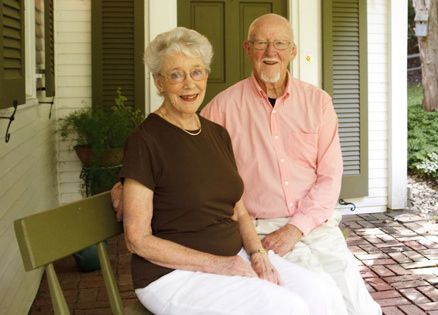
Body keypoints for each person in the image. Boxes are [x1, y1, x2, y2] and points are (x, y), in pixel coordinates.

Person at [118, 26, 346, 315]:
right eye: (176, 75)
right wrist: (221, 264)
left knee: (319, 292)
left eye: (197, 72)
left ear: (206, 76)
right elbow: (136, 239)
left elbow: (239, 212)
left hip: (232, 256)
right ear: (159, 82)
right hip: (172, 276)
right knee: (284, 306)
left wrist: (258, 254)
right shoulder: (145, 140)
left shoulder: (216, 133)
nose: (189, 84)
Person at [200, 14, 382, 315]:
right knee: (320, 300)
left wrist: (296, 228)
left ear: (293, 51)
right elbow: (180, 145)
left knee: (358, 303)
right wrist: (129, 180)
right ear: (247, 48)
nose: (271, 53)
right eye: (261, 43)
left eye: (280, 44)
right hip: (261, 230)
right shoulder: (223, 107)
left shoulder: (318, 102)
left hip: (315, 224)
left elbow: (330, 175)